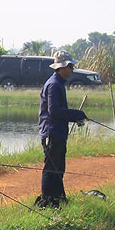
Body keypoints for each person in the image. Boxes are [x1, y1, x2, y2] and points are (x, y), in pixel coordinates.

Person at [36, 50, 87, 207]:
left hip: (57, 132)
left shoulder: (58, 84)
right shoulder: (54, 85)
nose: (72, 69)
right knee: (51, 169)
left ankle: (57, 199)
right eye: (70, 66)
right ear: (61, 67)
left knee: (58, 168)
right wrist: (76, 114)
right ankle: (47, 200)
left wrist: (76, 116)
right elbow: (55, 111)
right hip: (52, 132)